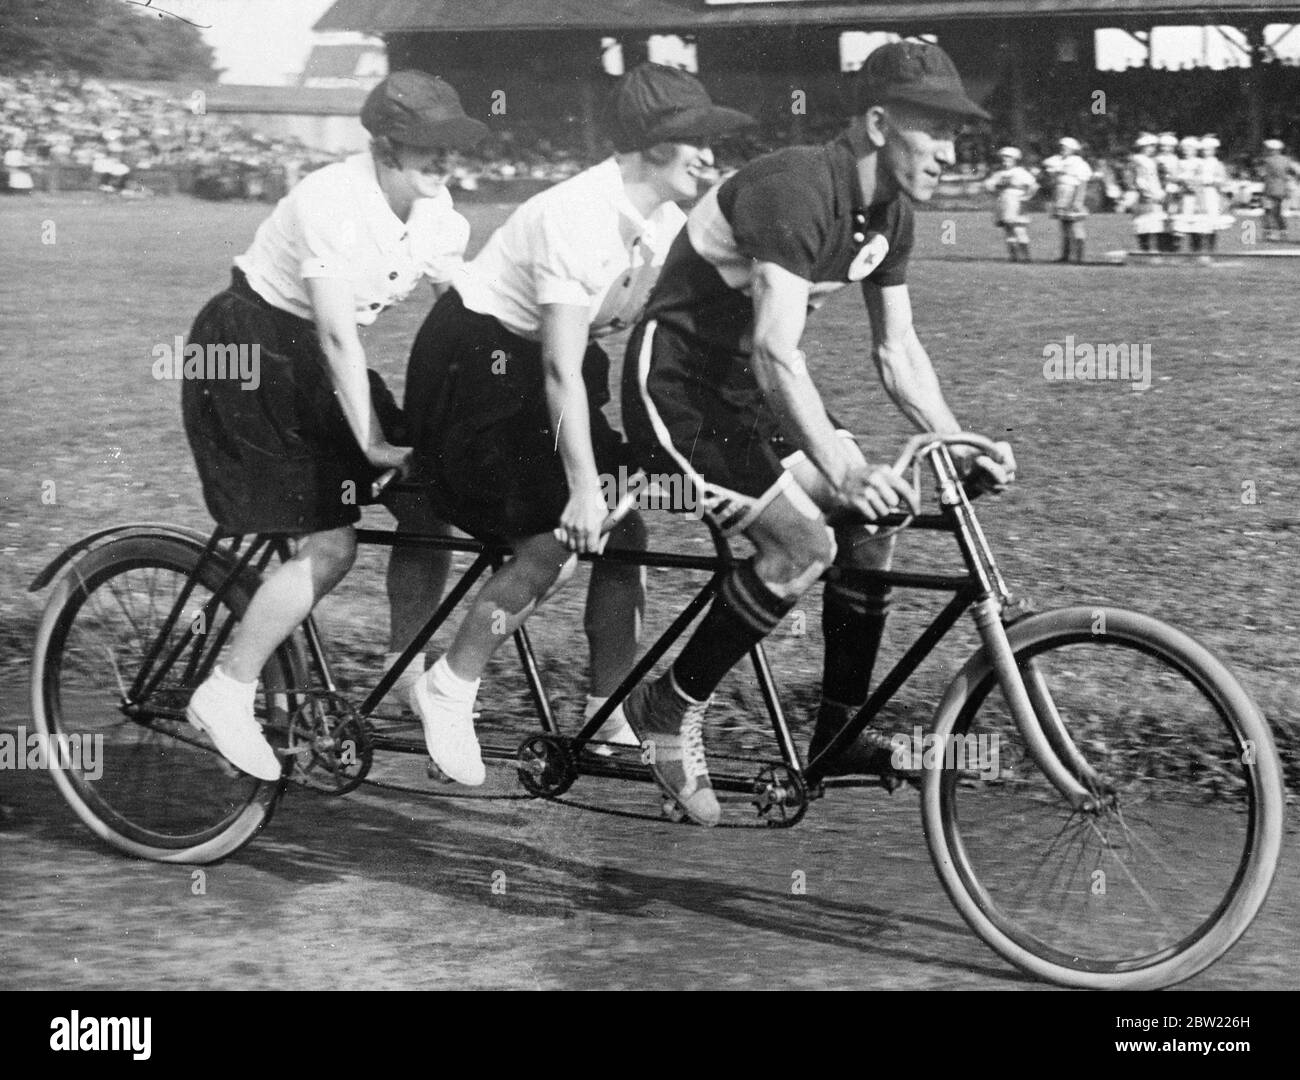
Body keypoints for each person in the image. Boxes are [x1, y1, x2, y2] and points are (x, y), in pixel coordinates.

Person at [619, 41, 1016, 825]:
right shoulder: (799, 186)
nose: (949, 150)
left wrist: (957, 441)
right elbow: (774, 349)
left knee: (875, 517)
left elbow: (897, 351)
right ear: (877, 124)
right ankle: (670, 703)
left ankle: (840, 728)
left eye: (955, 134)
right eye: (933, 131)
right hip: (681, 390)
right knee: (803, 547)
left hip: (752, 390)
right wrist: (841, 461)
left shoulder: (891, 213)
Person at [399, 63, 755, 785]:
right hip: (478, 372)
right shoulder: (577, 214)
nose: (712, 159)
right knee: (559, 531)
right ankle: (450, 686)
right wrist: (583, 487)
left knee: (626, 529)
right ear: (655, 143)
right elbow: (560, 367)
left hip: (549, 373)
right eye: (698, 142)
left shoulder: (669, 221)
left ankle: (607, 717)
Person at [181, 71, 487, 780]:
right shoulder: (330, 198)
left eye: (451, 147)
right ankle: (227, 690)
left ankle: (407, 668)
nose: (444, 162)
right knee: (332, 542)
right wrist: (373, 442)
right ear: (385, 146)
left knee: (426, 505)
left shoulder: (445, 218)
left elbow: (470, 319)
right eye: (426, 148)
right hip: (249, 353)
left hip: (316, 360)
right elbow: (337, 335)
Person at [1042, 136, 1092, 263]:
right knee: (1064, 227)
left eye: (1066, 147)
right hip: (1061, 196)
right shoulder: (1057, 161)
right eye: (1061, 147)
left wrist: (1078, 201)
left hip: (1072, 194)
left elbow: (1082, 183)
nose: (1062, 149)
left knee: (1076, 226)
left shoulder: (1078, 163)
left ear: (1073, 149)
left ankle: (1079, 257)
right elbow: (1050, 172)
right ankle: (1065, 255)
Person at [983, 146, 1037, 261]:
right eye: (1003, 158)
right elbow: (990, 185)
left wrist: (1026, 197)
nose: (1005, 161)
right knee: (1008, 230)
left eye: (1008, 158)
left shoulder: (1021, 172)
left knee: (1019, 229)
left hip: (1016, 202)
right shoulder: (999, 173)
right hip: (1004, 202)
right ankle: (1013, 256)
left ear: (1015, 160)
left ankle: (1026, 256)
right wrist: (993, 190)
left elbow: (1034, 186)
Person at [1122, 133, 1165, 252]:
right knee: (1143, 224)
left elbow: (1155, 178)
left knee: (1155, 225)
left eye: (1153, 146)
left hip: (1155, 194)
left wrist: (1159, 192)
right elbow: (1138, 179)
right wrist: (1145, 191)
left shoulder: (1153, 161)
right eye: (1149, 146)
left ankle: (1154, 251)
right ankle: (1144, 250)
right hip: (1143, 196)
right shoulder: (1137, 160)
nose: (1152, 149)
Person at [1195, 134, 1232, 253]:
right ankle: (1199, 250)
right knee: (1200, 223)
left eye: (1209, 149)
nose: (1207, 152)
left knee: (1212, 223)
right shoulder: (1199, 163)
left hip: (1212, 194)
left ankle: (1211, 250)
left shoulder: (1217, 164)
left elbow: (1223, 180)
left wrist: (1213, 181)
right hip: (1200, 194)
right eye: (1205, 150)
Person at [1260, 138, 1300, 242]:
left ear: (1273, 149)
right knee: (1277, 212)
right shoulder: (1286, 160)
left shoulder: (1268, 160)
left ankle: (1270, 233)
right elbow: (1297, 171)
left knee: (1268, 212)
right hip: (1282, 189)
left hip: (1270, 189)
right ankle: (1282, 232)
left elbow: (1262, 174)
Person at [1155, 132, 1182, 252]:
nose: (1166, 149)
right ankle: (1162, 245)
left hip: (1172, 190)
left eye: (1169, 146)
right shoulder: (1157, 159)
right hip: (1161, 190)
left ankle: (1173, 244)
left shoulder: (1176, 160)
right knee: (1162, 218)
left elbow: (1177, 176)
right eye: (1164, 146)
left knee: (1173, 217)